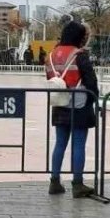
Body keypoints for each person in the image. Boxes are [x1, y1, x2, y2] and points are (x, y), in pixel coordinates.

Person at [44, 20, 98, 198]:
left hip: (59, 104)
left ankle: (55, 181)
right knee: (78, 144)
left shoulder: (51, 55)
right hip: (79, 104)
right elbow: (91, 81)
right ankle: (77, 183)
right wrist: (94, 99)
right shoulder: (79, 55)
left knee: (60, 143)